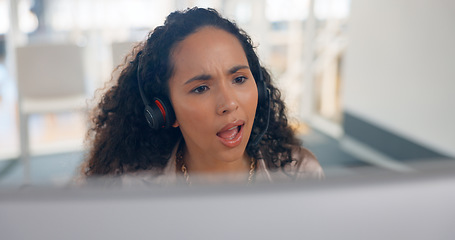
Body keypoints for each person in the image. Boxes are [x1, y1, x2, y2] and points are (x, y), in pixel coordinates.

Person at [79, 7, 323, 186]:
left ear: (259, 89)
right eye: (201, 88)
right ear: (165, 110)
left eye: (239, 79)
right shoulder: (131, 187)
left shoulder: (300, 173)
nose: (228, 103)